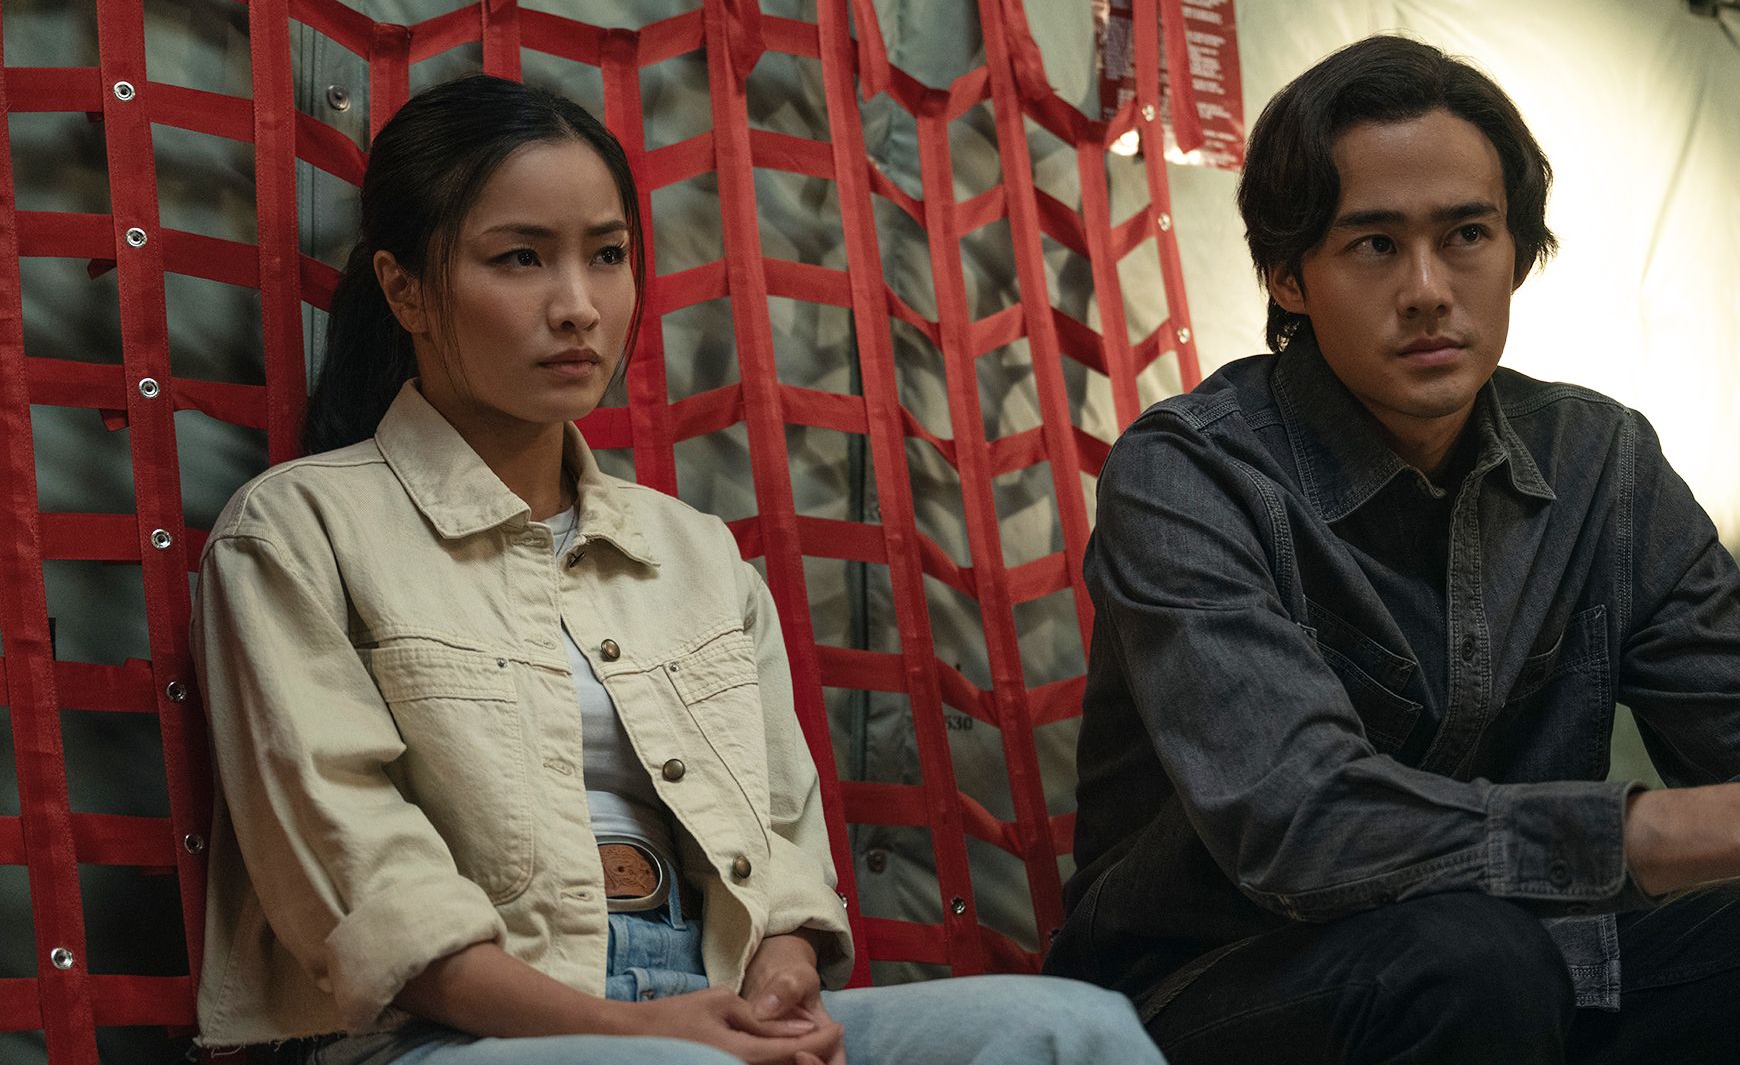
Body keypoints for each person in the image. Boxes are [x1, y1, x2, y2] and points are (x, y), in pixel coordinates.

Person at [190, 74, 1164, 1065]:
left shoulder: (696, 553)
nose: (579, 307)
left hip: (704, 1005)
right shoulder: (297, 531)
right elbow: (359, 880)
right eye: (520, 257)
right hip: (443, 1037)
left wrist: (780, 975)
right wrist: (637, 1030)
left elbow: (782, 833)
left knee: (1073, 1028)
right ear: (404, 290)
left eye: (607, 255)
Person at [1043, 34, 1740, 1065]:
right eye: (1375, 245)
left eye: (1466, 234)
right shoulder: (1189, 473)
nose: (1427, 288)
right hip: (1219, 982)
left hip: (1535, 970)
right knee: (1472, 963)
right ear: (1288, 276)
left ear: (1517, 250)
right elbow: (1303, 825)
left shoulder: (1601, 463)